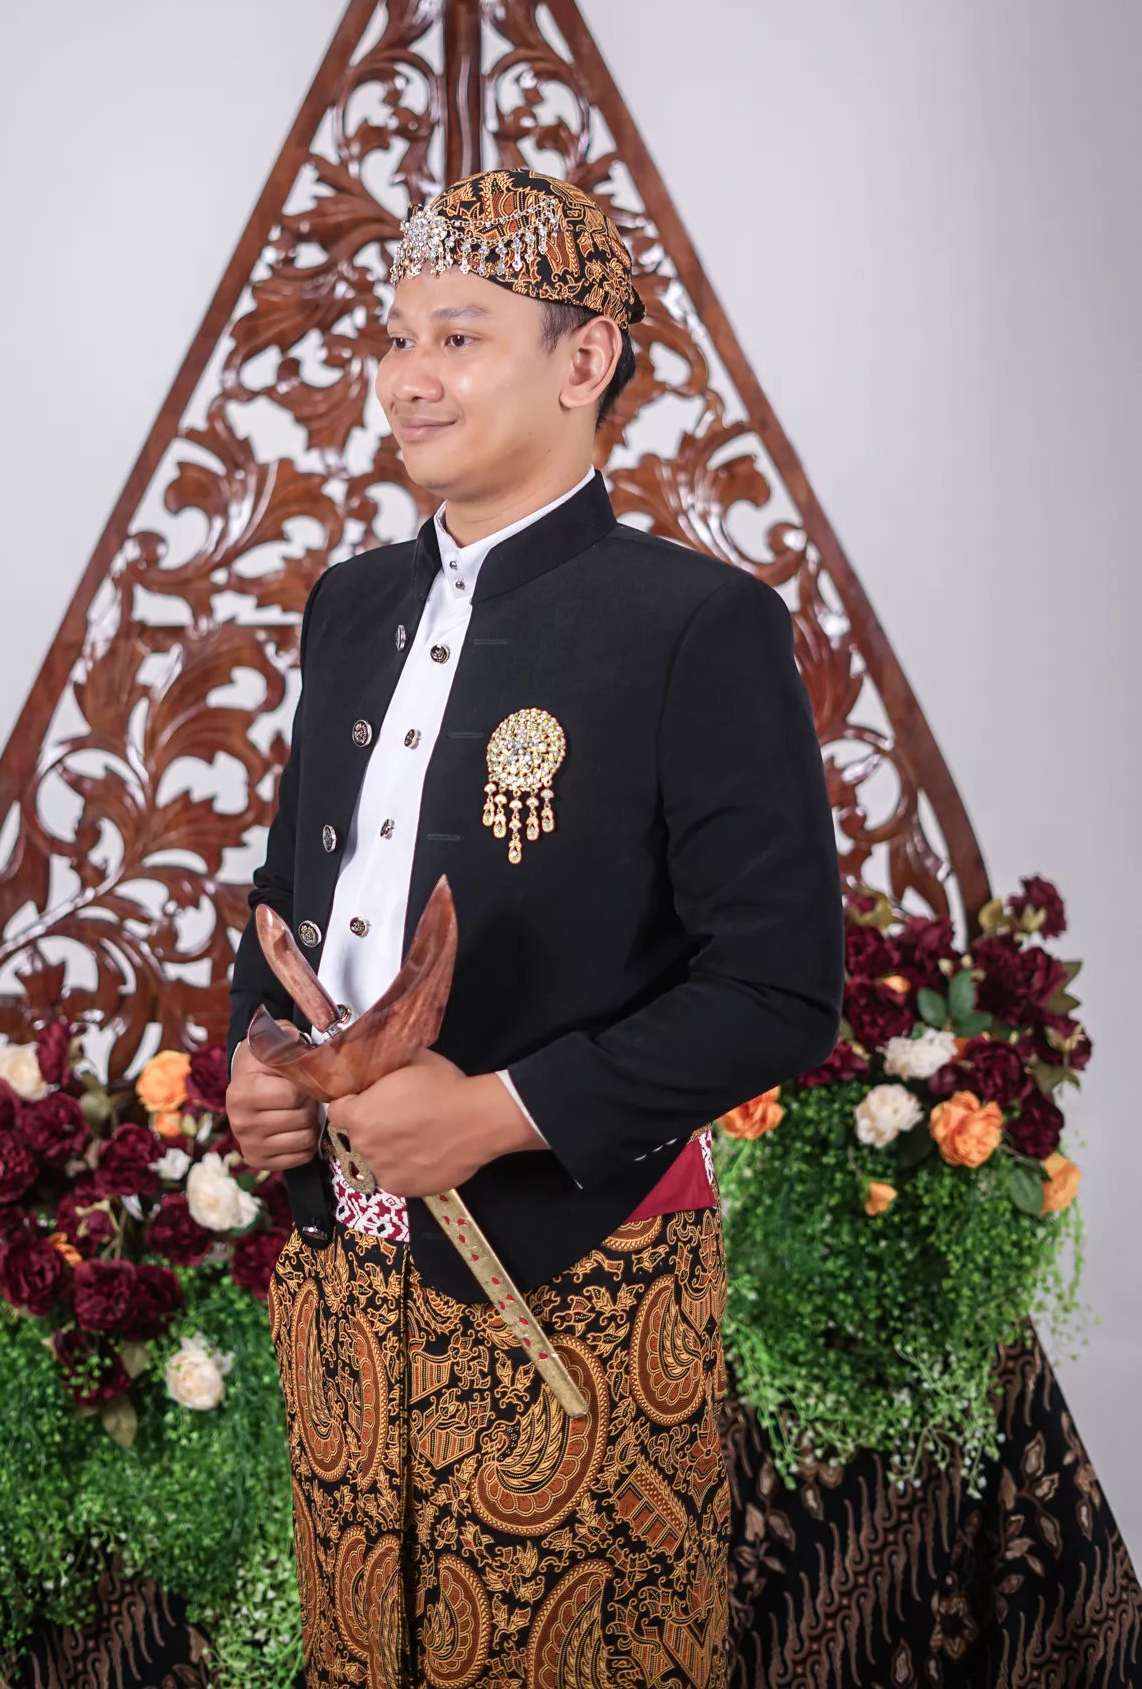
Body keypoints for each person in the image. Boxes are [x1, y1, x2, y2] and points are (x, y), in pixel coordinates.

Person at [226, 166, 843, 1688]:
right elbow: (296, 894)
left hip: (578, 1279)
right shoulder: (348, 605)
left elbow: (779, 989)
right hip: (346, 1279)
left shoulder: (697, 626)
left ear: (586, 361)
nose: (406, 378)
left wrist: (497, 1111)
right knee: (363, 1654)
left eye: (458, 337)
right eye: (395, 338)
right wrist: (261, 1061)